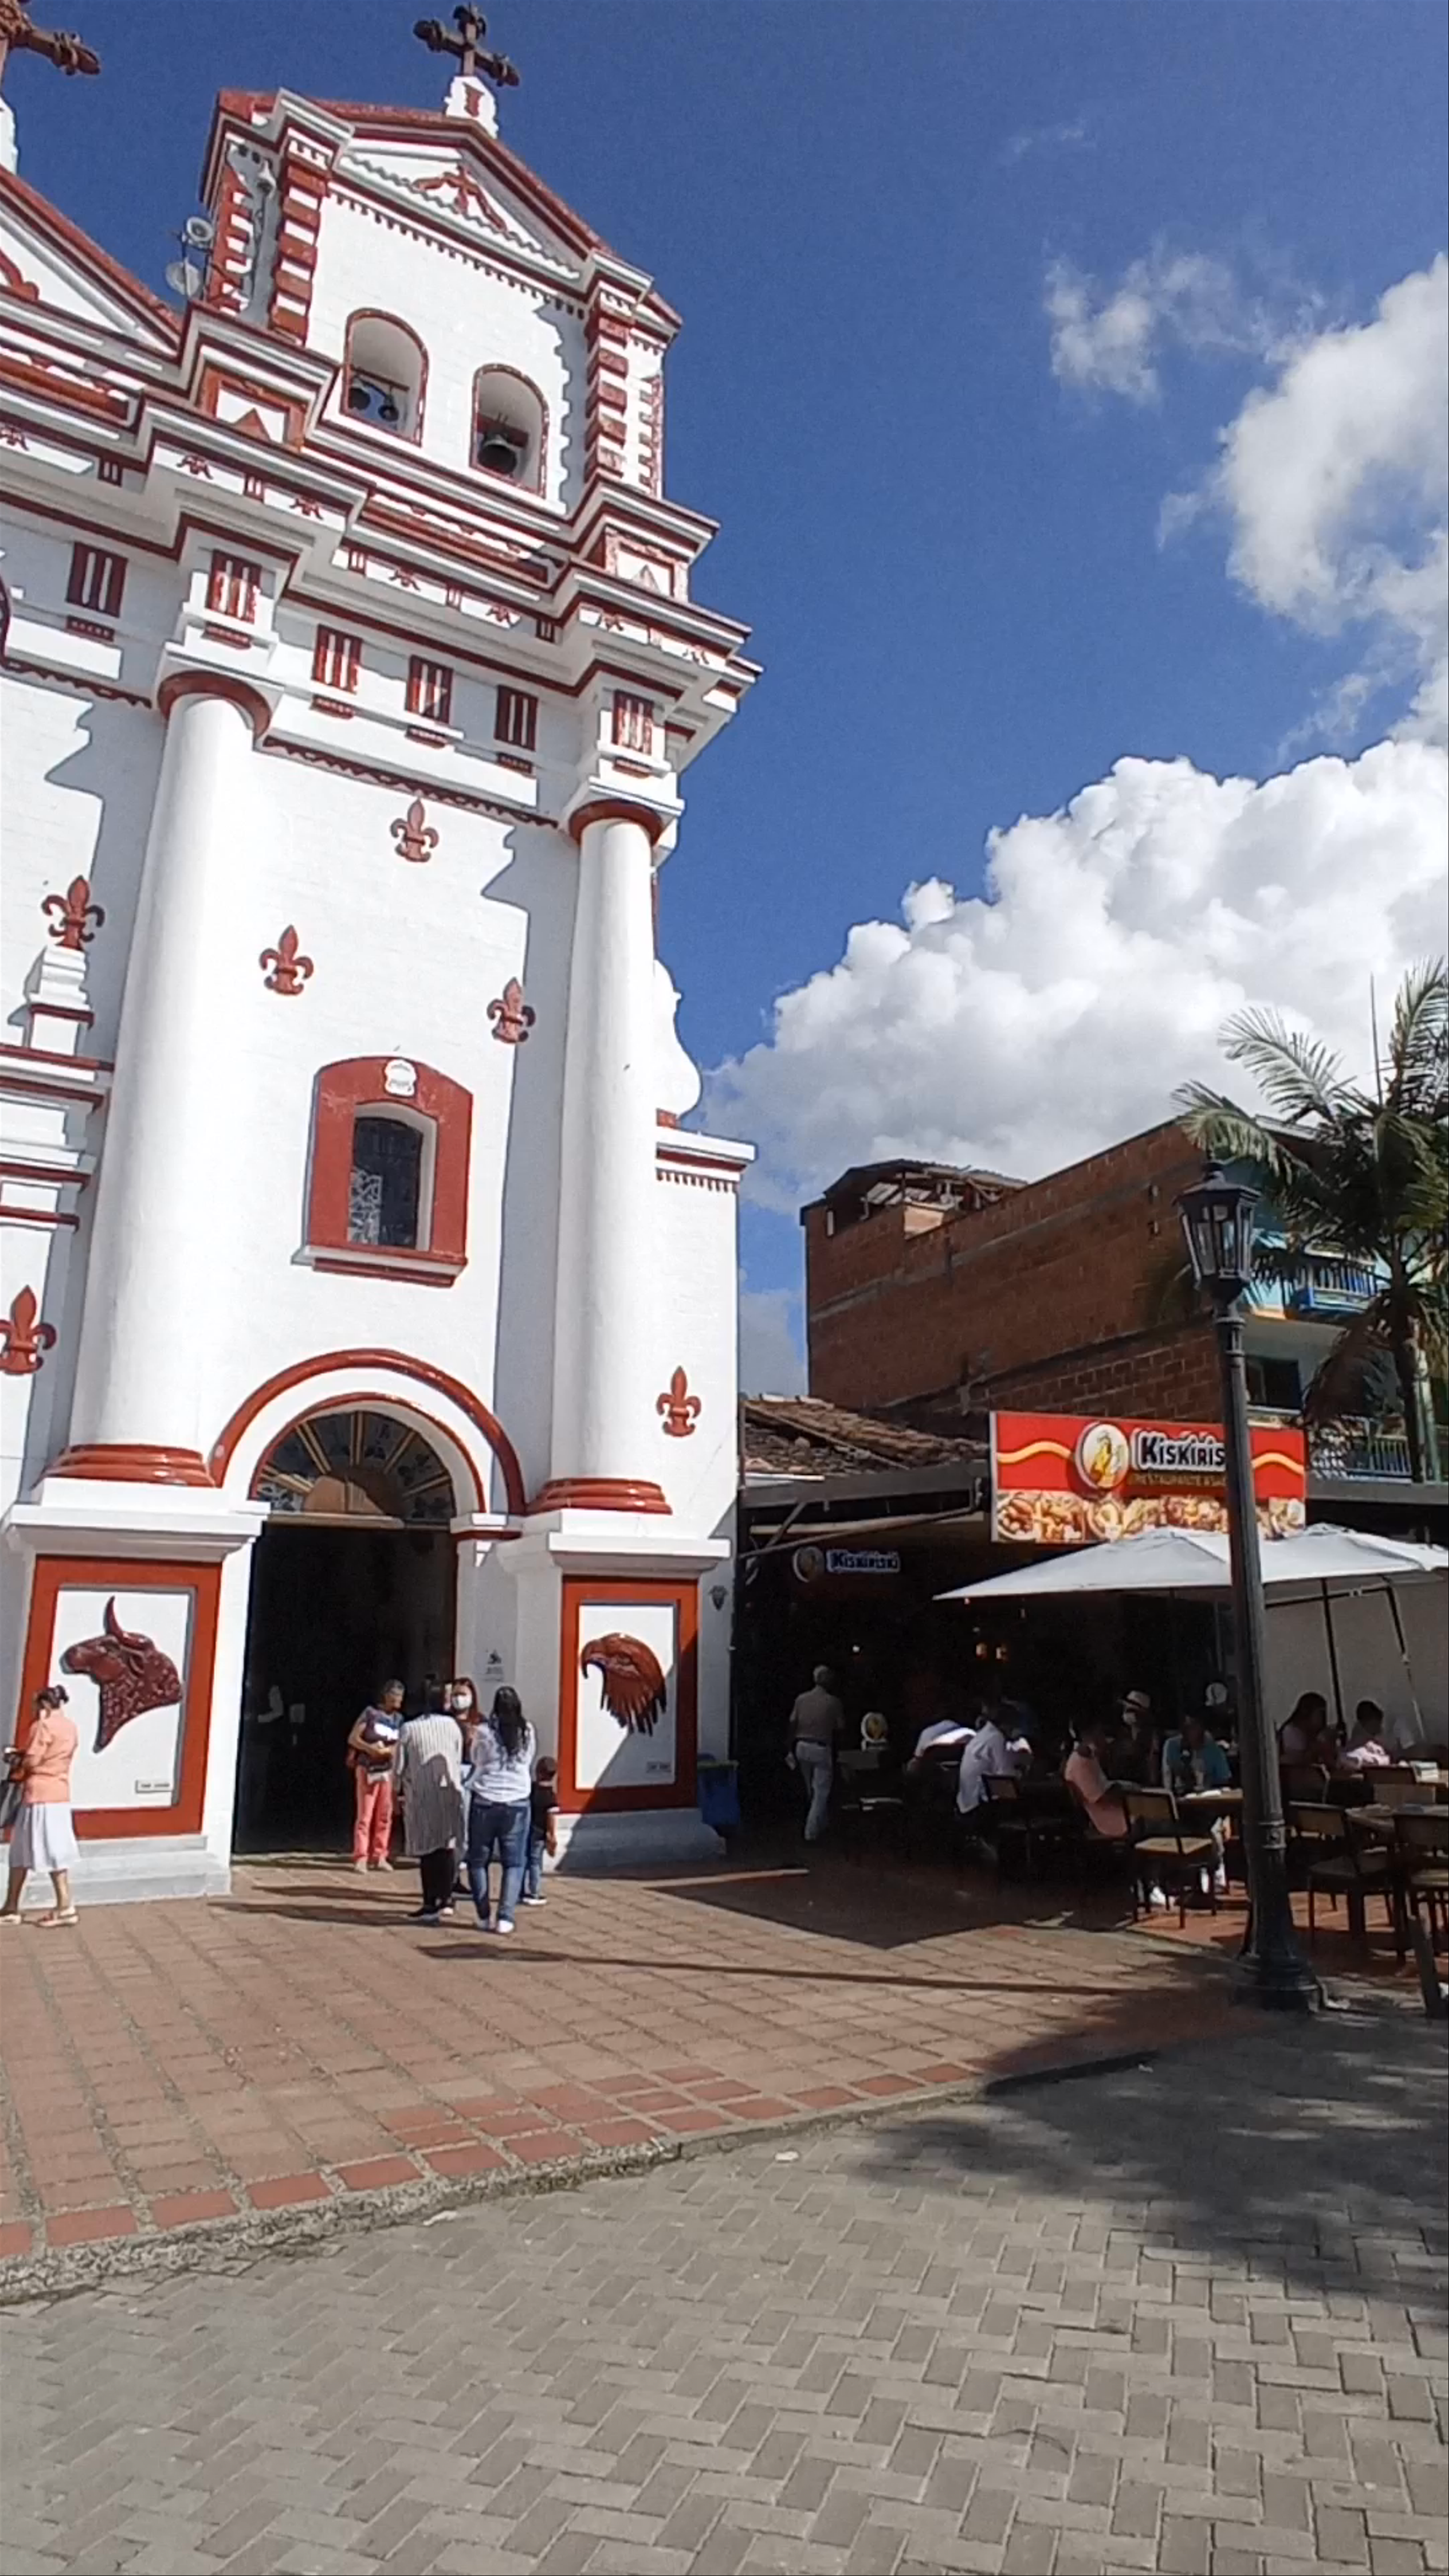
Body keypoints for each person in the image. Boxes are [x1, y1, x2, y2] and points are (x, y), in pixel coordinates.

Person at [1, 1685, 80, 1927]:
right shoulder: (70, 1727)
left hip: (39, 1794)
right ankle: (11, 1905)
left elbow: (33, 1761)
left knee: (37, 1849)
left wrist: (14, 1757)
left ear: (45, 1705)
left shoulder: (43, 1727)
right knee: (36, 1849)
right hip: (59, 1791)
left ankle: (64, 1906)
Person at [467, 1686, 536, 1933]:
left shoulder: (485, 1732)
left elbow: (476, 1759)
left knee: (478, 1860)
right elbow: (528, 1760)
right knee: (515, 1862)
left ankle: (484, 1914)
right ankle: (505, 1916)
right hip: (517, 1799)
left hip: (486, 1797)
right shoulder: (527, 1731)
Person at [393, 1696, 465, 1924]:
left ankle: (430, 1902)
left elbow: (398, 1766)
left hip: (421, 1795)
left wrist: (396, 1791)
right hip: (449, 1793)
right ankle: (447, 1898)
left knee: (427, 1850)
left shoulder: (409, 1729)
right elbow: (458, 1756)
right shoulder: (452, 1725)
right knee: (446, 1847)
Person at [347, 1681, 403, 1871]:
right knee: (365, 1814)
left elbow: (400, 1743)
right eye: (395, 1695)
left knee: (385, 1815)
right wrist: (370, 1749)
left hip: (387, 1770)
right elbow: (354, 1738)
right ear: (386, 1695)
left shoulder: (399, 1720)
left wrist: (390, 1751)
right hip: (368, 1768)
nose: (398, 1699)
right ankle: (361, 1856)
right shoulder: (371, 1714)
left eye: (401, 1696)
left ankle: (380, 1855)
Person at [788, 1665, 844, 1844]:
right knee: (821, 1791)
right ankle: (811, 1832)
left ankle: (821, 1823)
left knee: (811, 1789)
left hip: (802, 1746)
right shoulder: (834, 1702)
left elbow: (792, 1723)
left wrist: (789, 1747)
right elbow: (840, 1727)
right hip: (821, 1747)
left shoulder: (801, 1700)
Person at [1063, 1722, 1131, 1844]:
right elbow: (1101, 1798)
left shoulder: (1091, 1758)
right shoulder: (1080, 1764)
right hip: (1112, 1819)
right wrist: (1128, 1795)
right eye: (1100, 1734)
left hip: (1119, 1809)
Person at [956, 1704, 1021, 1816]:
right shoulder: (997, 1738)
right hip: (980, 1808)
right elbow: (1006, 1777)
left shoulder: (982, 1736)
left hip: (965, 1805)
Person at [1161, 1713, 1232, 1796]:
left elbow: (1224, 1781)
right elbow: (1167, 1779)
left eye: (1193, 1727)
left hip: (1206, 1800)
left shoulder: (1215, 1751)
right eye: (1185, 1727)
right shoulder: (1171, 1746)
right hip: (1179, 1798)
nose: (1187, 1731)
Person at [522, 1755, 559, 1906]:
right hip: (541, 1832)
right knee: (536, 1862)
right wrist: (552, 1834)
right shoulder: (551, 1797)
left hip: (529, 1828)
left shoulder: (532, 1790)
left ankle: (522, 1891)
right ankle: (534, 1892)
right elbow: (551, 1817)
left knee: (525, 1860)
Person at [1108, 1690, 1158, 1785]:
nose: (1127, 1714)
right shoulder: (1120, 1736)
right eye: (1126, 1710)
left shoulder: (1151, 1737)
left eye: (1131, 1711)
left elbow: (1153, 1774)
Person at [1278, 1691, 1331, 1766]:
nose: (1323, 1718)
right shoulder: (1291, 1732)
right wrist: (1317, 1748)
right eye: (1320, 1713)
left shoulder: (1309, 1733)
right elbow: (1298, 1762)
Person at [1338, 1700, 1393, 1772]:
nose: (1381, 1727)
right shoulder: (1359, 1745)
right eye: (1379, 1722)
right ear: (1370, 1722)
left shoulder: (1375, 1742)